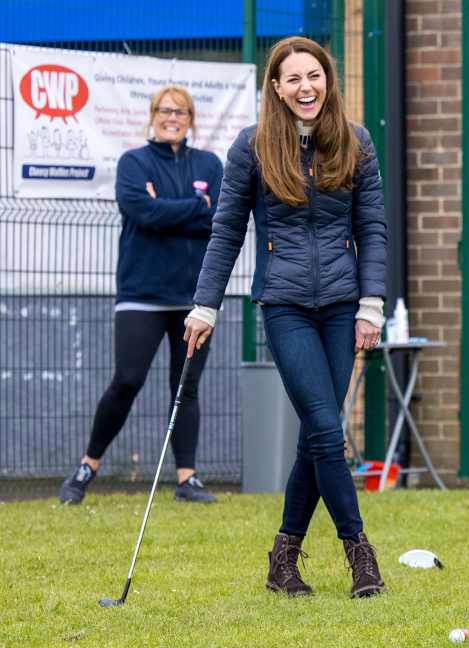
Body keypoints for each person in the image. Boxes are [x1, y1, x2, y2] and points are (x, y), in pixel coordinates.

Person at [183, 36, 388, 599]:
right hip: (285, 305)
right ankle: (361, 557)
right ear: (276, 88)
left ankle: (283, 560)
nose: (306, 87)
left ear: (328, 82)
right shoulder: (251, 147)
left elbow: (372, 229)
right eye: (293, 78)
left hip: (345, 308)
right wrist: (205, 305)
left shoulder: (357, 142)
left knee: (314, 437)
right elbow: (226, 231)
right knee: (326, 428)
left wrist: (371, 304)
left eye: (314, 76)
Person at [59, 86, 223, 505]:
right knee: (127, 380)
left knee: (185, 386)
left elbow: (218, 219)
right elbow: (141, 213)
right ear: (153, 115)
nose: (173, 117)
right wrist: (194, 205)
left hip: (193, 300)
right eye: (166, 110)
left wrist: (171, 208)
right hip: (141, 296)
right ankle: (87, 466)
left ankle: (187, 479)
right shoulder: (134, 162)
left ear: (191, 118)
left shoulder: (210, 163)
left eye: (181, 111)